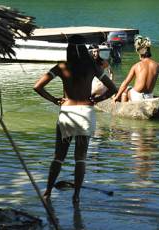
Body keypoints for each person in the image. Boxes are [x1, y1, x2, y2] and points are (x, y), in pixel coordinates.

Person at [33, 35, 117, 205]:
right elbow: (112, 88)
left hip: (67, 113)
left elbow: (37, 86)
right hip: (85, 112)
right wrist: (96, 100)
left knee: (58, 156)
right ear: (84, 49)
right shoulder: (92, 67)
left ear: (69, 49)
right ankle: (76, 196)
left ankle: (48, 191)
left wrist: (54, 100)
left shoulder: (62, 66)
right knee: (81, 158)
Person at [112, 35, 159, 102]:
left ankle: (124, 108)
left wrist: (116, 97)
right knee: (133, 90)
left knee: (126, 90)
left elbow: (125, 83)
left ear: (140, 54)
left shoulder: (136, 66)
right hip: (149, 97)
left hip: (137, 97)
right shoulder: (158, 65)